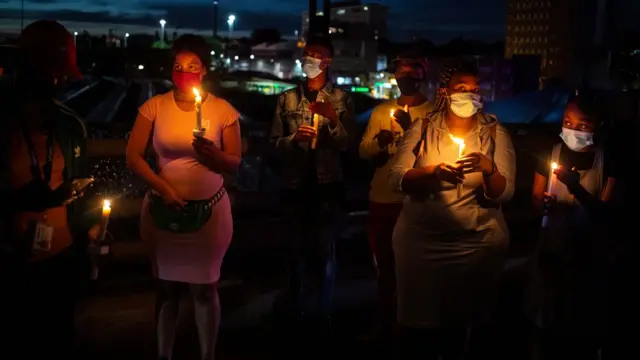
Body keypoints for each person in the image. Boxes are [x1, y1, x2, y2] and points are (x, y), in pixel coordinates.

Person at [388, 59, 516, 359]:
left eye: (474, 89)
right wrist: (432, 173)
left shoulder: (495, 133)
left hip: (476, 243)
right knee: (419, 328)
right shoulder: (422, 128)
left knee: (465, 327)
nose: (470, 95)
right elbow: (397, 179)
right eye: (461, 88)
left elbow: (505, 193)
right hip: (421, 244)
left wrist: (488, 168)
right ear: (445, 92)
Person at [126, 34, 241, 360]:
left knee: (205, 289)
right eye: (178, 66)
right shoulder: (154, 106)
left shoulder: (223, 111)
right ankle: (164, 353)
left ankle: (208, 353)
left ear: (204, 70)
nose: (184, 71)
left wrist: (213, 155)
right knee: (165, 290)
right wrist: (164, 189)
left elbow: (234, 161)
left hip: (210, 213)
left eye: (192, 66)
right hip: (162, 211)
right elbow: (133, 156)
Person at [0, 20, 99, 358]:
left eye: (62, 75)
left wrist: (92, 228)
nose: (58, 82)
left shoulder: (70, 126)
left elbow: (80, 191)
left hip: (60, 263)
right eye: (50, 73)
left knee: (58, 341)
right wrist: (18, 202)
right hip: (10, 266)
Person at [270, 36, 355, 332]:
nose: (310, 59)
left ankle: (323, 311)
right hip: (295, 185)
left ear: (327, 61)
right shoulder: (287, 99)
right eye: (307, 54)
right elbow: (273, 144)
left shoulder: (342, 99)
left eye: (316, 55)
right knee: (294, 251)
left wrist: (332, 119)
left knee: (325, 252)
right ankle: (296, 309)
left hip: (328, 186)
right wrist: (294, 139)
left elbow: (346, 144)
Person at [527, 89, 620, 360]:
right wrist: (541, 204)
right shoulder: (551, 152)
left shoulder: (609, 160)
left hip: (589, 254)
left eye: (583, 125)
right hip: (551, 247)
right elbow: (535, 199)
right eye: (567, 122)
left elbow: (604, 214)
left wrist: (574, 188)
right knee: (545, 316)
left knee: (581, 320)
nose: (573, 130)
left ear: (598, 126)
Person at [358, 50, 432, 343]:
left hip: (415, 200)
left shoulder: (432, 113)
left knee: (415, 267)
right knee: (385, 267)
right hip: (383, 198)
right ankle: (386, 323)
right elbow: (363, 151)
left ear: (422, 74)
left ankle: (414, 325)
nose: (405, 77)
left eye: (411, 71)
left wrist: (411, 129)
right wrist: (379, 142)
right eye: (400, 71)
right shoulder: (380, 112)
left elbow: (435, 155)